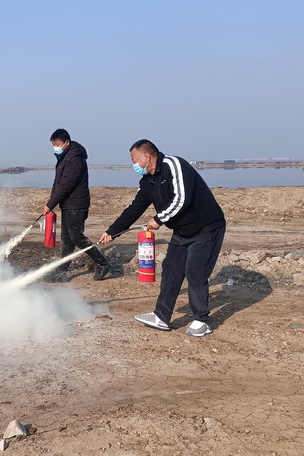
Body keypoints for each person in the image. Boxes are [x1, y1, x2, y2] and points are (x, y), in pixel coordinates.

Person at [99, 139, 226, 337]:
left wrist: (159, 219)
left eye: (134, 160)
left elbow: (182, 199)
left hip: (206, 227)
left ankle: (202, 320)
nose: (133, 164)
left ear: (146, 156)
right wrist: (113, 231)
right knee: (171, 269)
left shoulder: (174, 165)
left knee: (195, 272)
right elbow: (134, 208)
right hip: (182, 231)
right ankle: (162, 316)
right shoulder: (147, 181)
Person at [42, 128, 110, 282]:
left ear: (67, 142)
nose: (55, 147)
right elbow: (58, 183)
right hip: (67, 204)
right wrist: (51, 202)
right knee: (67, 239)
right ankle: (61, 273)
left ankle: (102, 263)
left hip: (76, 204)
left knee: (77, 237)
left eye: (58, 144)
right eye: (53, 145)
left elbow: (66, 185)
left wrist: (50, 204)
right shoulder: (64, 157)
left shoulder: (75, 159)